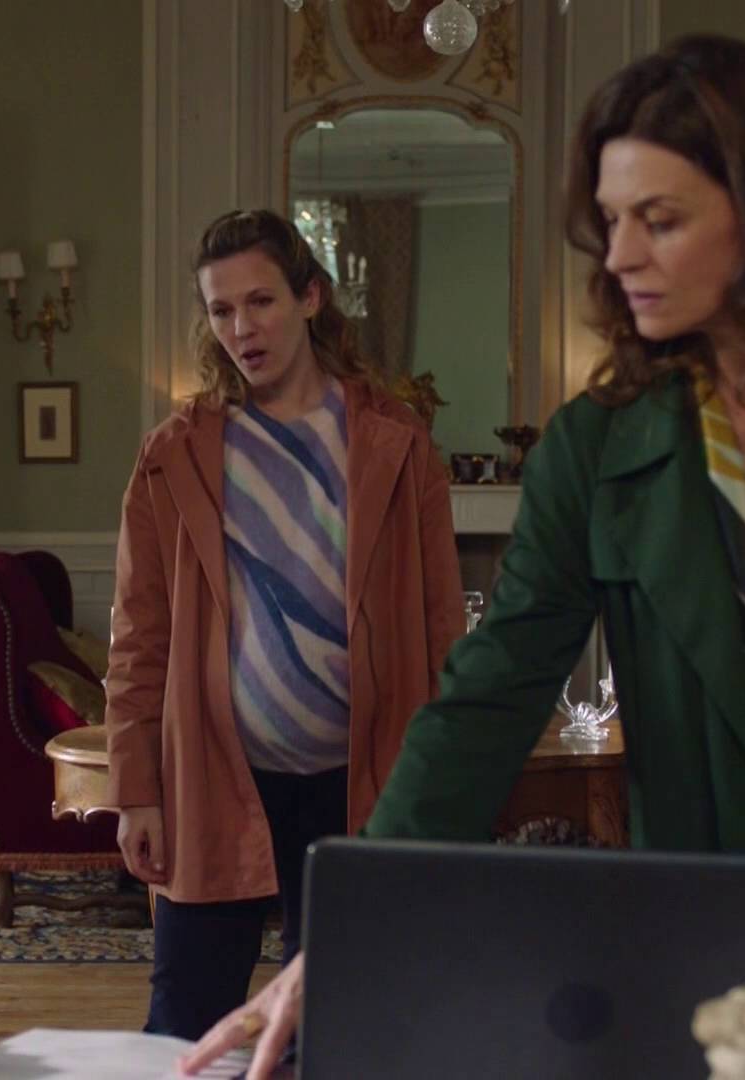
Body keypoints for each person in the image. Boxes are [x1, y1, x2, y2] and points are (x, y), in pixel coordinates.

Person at [182, 36, 745, 1079]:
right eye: (612, 220)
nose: (620, 254)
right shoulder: (601, 444)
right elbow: (488, 695)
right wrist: (350, 931)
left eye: (659, 220)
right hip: (730, 885)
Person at [104, 208, 465, 1039]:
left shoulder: (395, 443)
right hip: (217, 779)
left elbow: (443, 628)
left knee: (344, 1027)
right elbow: (139, 637)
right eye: (222, 310)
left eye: (260, 302)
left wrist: (440, 788)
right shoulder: (174, 454)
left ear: (310, 297)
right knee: (185, 1026)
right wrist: (137, 791)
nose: (242, 329)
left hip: (362, 783)